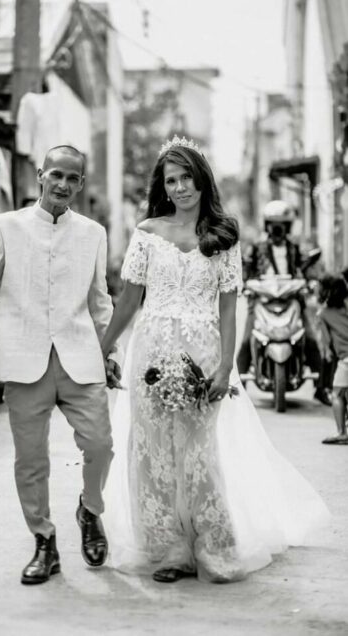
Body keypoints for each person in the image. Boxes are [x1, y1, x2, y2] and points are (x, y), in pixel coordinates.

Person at [100, 136, 330, 583]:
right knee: (152, 453)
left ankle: (214, 545)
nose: (180, 187)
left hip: (204, 353)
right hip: (150, 350)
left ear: (202, 180)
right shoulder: (147, 233)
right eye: (172, 180)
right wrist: (103, 344)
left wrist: (226, 364)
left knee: (198, 453)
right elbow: (129, 301)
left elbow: (229, 307)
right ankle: (168, 550)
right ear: (163, 187)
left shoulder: (223, 235)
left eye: (187, 177)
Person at [0, 145, 120, 585]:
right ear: (41, 178)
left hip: (80, 359)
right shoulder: (6, 226)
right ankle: (44, 542)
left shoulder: (93, 234)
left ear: (81, 185)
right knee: (31, 460)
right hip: (22, 358)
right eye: (56, 176)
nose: (63, 184)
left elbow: (99, 301)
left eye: (73, 178)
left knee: (101, 445)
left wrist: (113, 352)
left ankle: (90, 509)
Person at [237, 200, 328, 405]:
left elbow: (307, 267)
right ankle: (239, 390)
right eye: (273, 224)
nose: (277, 229)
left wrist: (311, 281)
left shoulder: (295, 247)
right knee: (244, 341)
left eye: (282, 225)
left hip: (292, 300)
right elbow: (246, 268)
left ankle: (321, 387)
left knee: (312, 339)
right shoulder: (256, 248)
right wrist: (244, 283)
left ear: (287, 226)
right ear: (266, 225)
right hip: (261, 299)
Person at [317, 274, 348, 445]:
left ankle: (341, 432)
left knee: (337, 394)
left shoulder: (323, 314)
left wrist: (327, 353)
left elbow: (326, 343)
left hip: (345, 360)